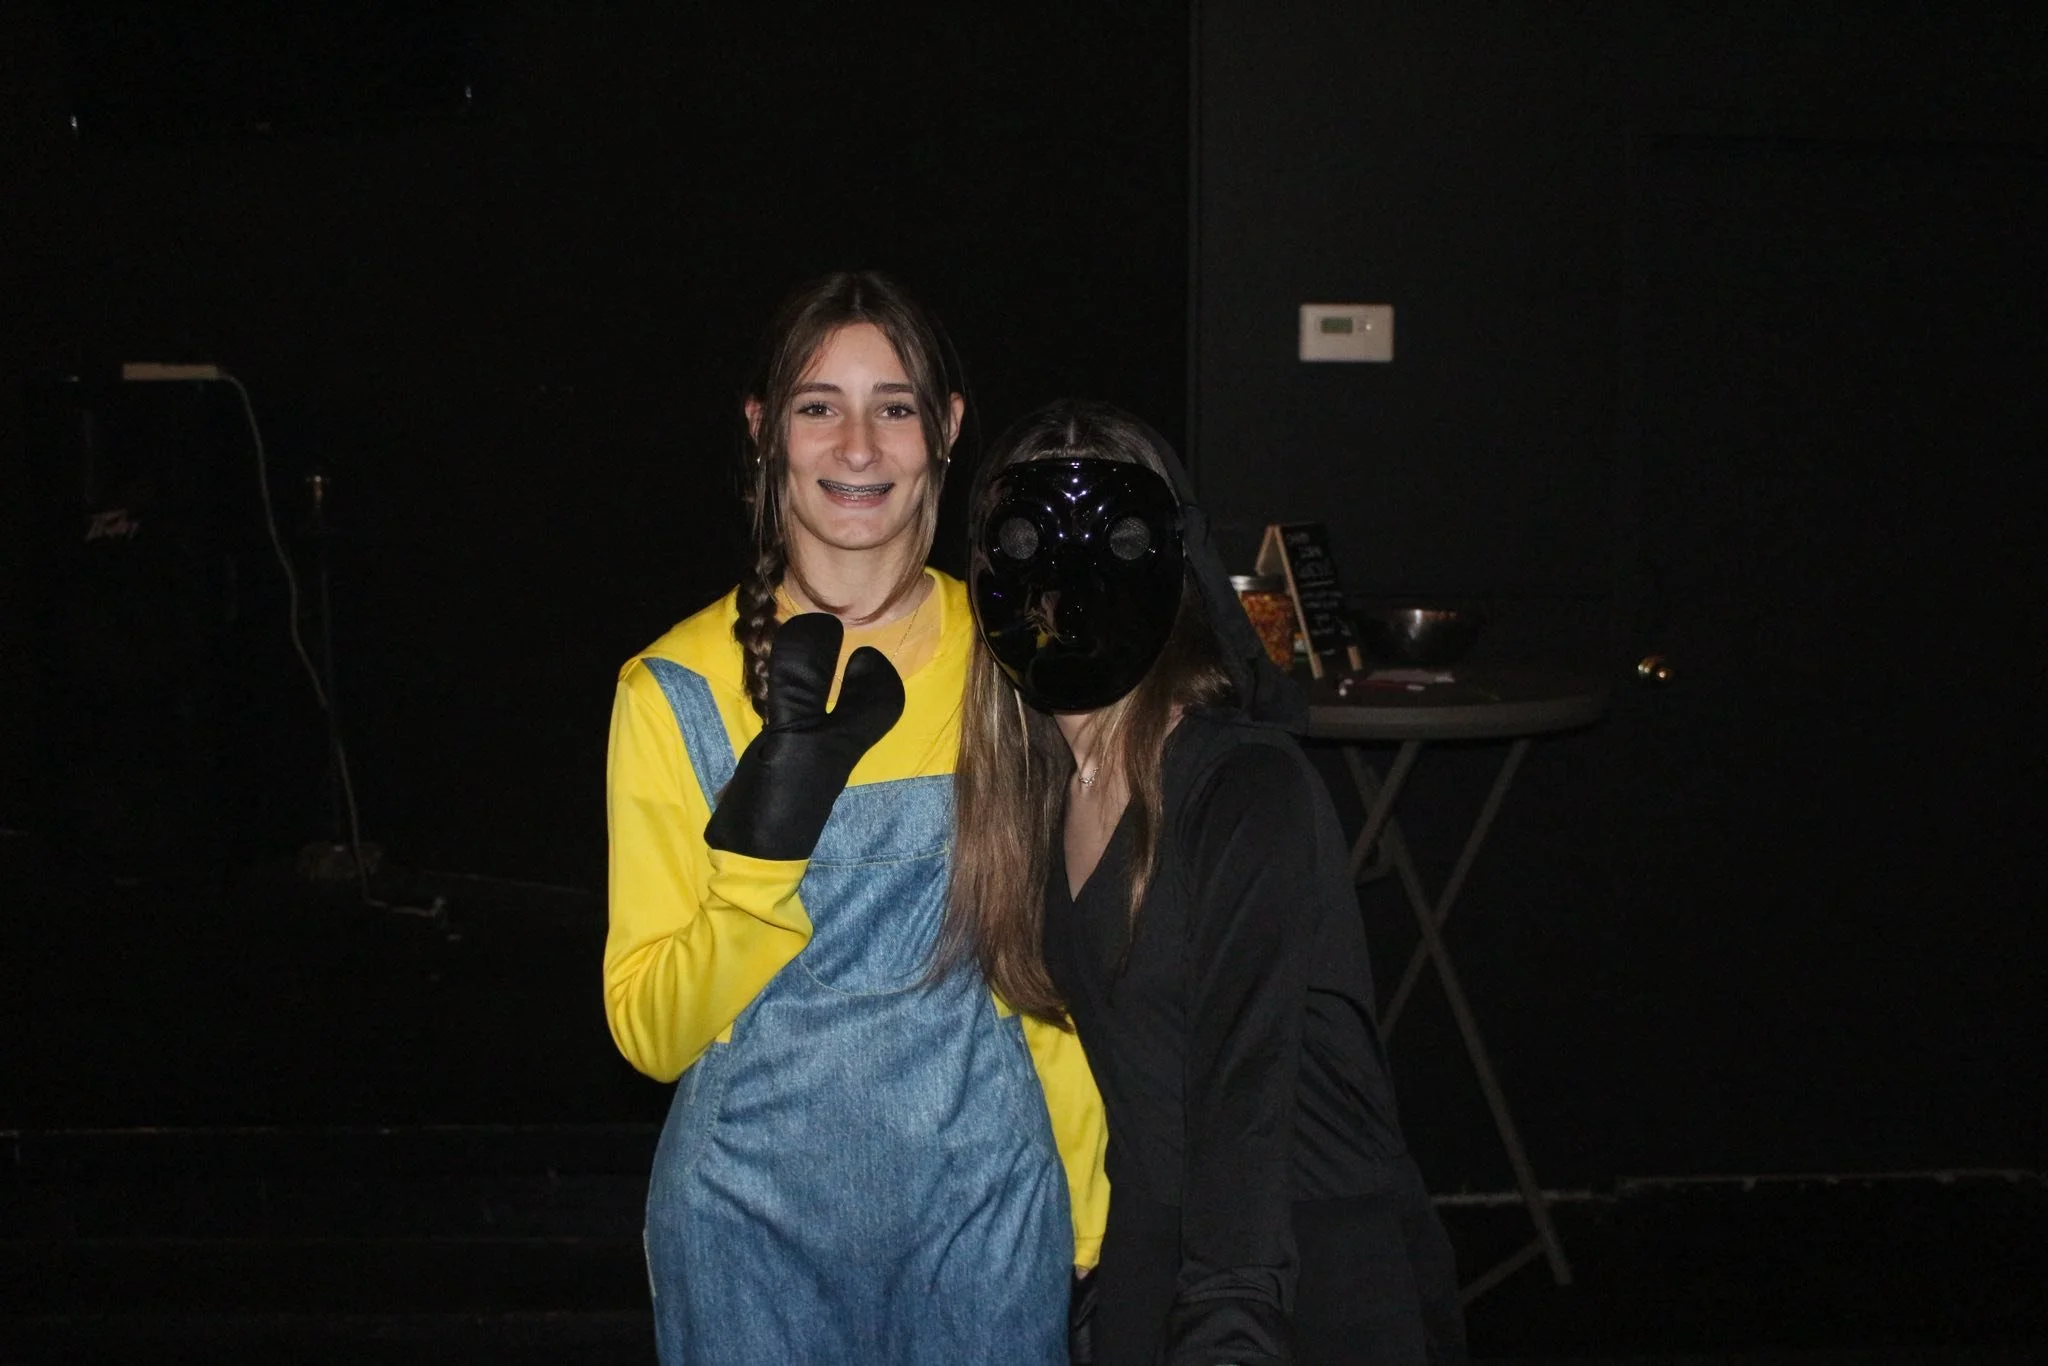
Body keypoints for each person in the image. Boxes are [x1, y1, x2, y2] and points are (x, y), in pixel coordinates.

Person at [603, 274, 1106, 1364]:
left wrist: (1092, 1209)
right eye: (817, 404)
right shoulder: (672, 689)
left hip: (983, 1208)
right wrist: (759, 853)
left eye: (894, 405)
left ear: (946, 427)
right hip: (745, 1225)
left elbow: (1048, 978)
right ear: (763, 430)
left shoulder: (1016, 661)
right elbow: (648, 1035)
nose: (858, 446)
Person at [945, 399, 1467, 1365]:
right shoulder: (1039, 793)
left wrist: (1228, 1327)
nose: (1065, 589)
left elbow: (1243, 1099)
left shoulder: (1247, 791)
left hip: (1313, 1271)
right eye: (1028, 546)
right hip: (1161, 1251)